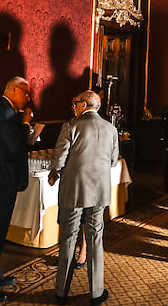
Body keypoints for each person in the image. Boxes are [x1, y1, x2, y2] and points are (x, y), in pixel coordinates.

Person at [0, 77, 45, 304]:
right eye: (25, 92)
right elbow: (14, 145)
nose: (28, 97)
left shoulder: (5, 110)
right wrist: (25, 123)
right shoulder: (1, 111)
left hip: (4, 178)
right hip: (1, 179)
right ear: (14, 89)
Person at [49, 91, 119, 305]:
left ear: (85, 105)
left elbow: (59, 158)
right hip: (99, 192)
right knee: (95, 238)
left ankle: (61, 291)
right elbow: (113, 161)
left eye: (75, 103)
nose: (73, 107)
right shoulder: (111, 128)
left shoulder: (71, 126)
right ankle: (96, 292)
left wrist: (55, 172)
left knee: (69, 237)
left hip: (75, 190)